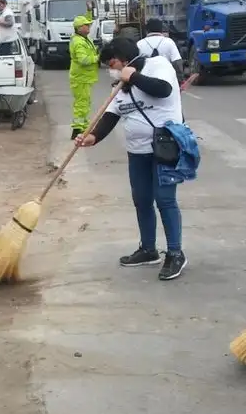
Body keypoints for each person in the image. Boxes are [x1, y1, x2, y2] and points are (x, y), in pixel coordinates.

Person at [76, 37, 199, 281]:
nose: (112, 69)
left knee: (165, 200)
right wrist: (92, 138)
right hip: (137, 151)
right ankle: (148, 249)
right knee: (141, 199)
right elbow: (110, 117)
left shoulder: (158, 65)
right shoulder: (119, 86)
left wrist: (132, 76)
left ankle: (175, 253)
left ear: (124, 58)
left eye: (113, 63)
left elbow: (163, 90)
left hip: (165, 146)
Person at [68, 14, 99, 139]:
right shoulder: (79, 42)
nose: (89, 27)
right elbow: (84, 60)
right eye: (86, 25)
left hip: (84, 77)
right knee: (81, 103)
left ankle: (83, 127)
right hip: (81, 77)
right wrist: (98, 58)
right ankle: (78, 129)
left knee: (85, 103)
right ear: (79, 28)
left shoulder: (83, 38)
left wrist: (89, 10)